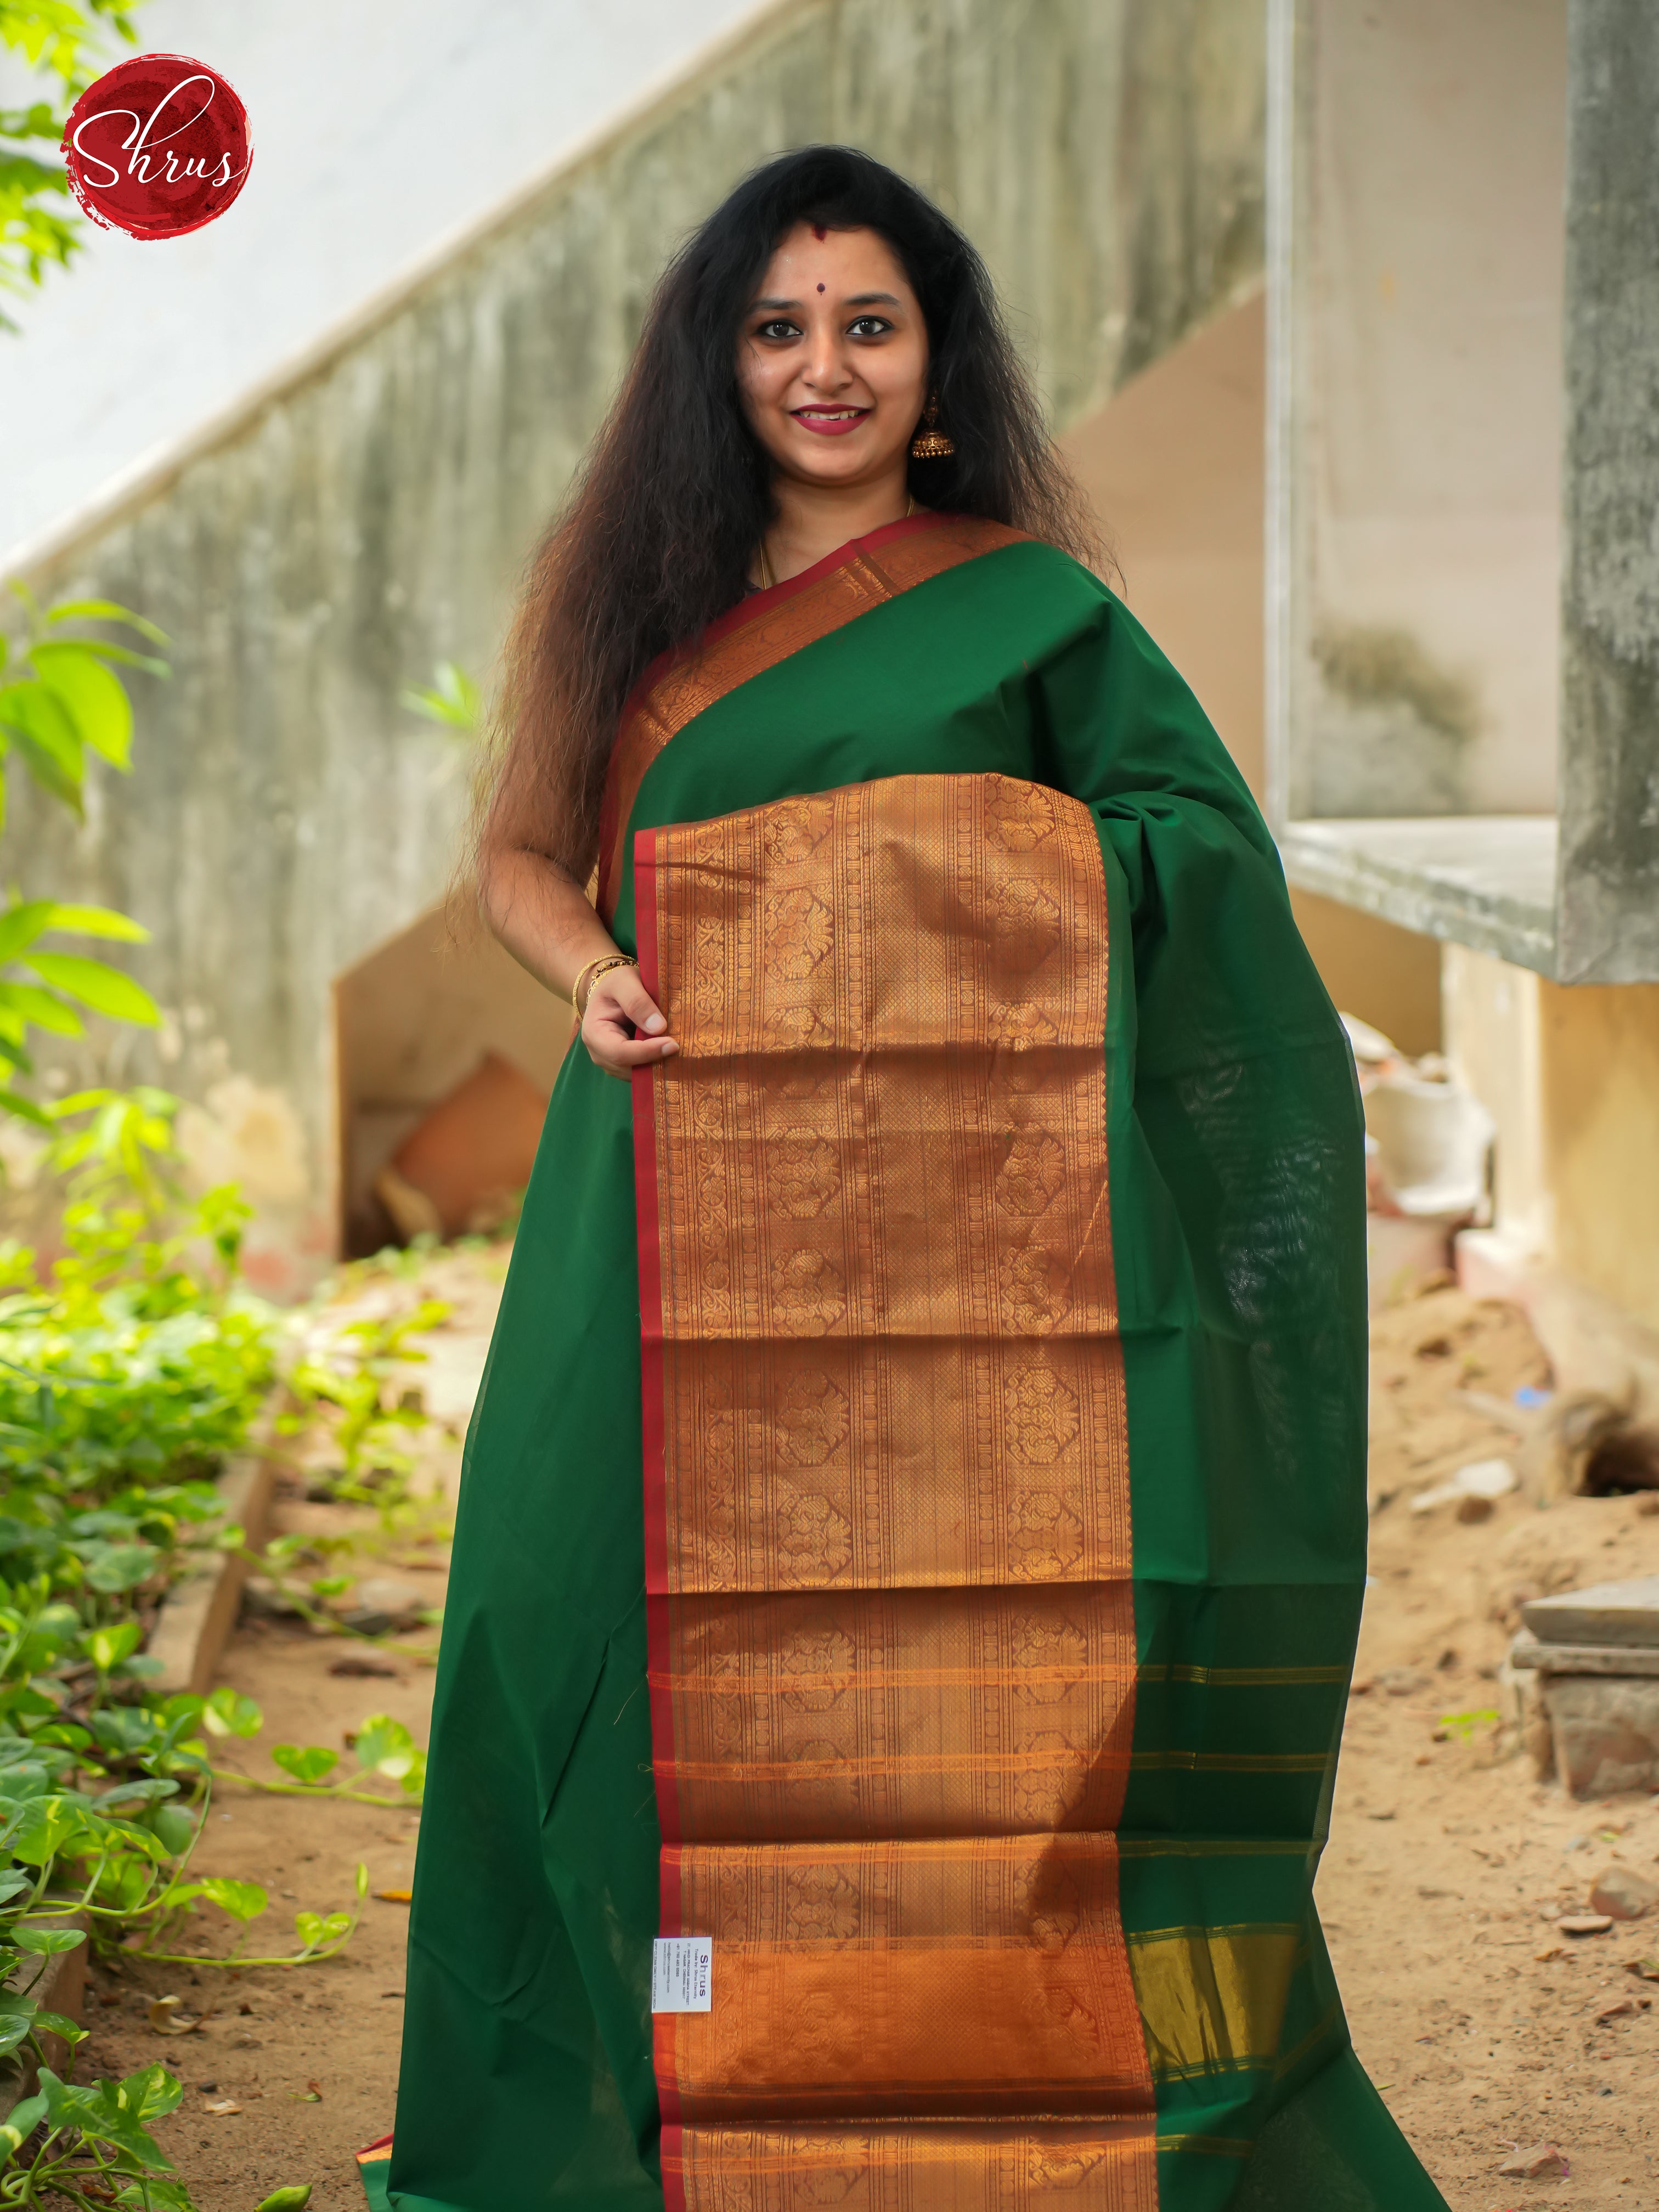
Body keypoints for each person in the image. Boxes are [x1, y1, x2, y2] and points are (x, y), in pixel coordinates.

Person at [364, 146, 1449, 2212]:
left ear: (935, 362)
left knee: (983, 1670)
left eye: (869, 323)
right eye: (779, 328)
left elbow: (1197, 861)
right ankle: (643, 2114)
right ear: (721, 362)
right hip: (665, 1218)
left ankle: (1010, 2103)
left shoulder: (1032, 606)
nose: (825, 367)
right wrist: (595, 969)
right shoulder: (643, 610)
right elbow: (517, 859)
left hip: (996, 1256)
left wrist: (988, 872)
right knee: (557, 1617)